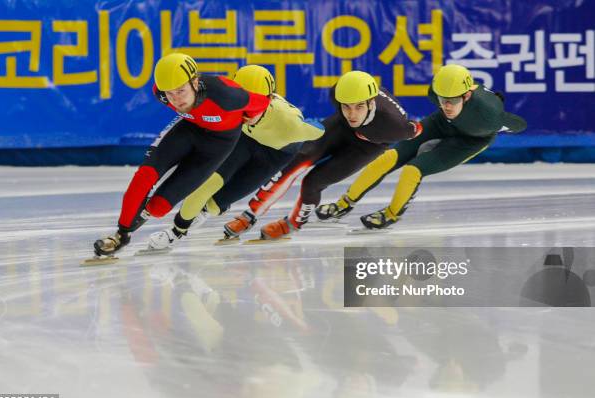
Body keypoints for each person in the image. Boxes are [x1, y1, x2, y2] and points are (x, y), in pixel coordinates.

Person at [93, 53, 270, 257]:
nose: (176, 99)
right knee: (144, 177)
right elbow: (173, 103)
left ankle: (141, 216)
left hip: (218, 146)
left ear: (195, 82)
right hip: (188, 131)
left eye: (181, 91)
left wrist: (252, 116)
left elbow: (263, 103)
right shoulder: (159, 93)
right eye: (170, 93)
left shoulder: (227, 95)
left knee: (159, 207)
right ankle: (121, 235)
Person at [316, 64, 527, 229]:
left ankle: (392, 214)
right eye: (442, 100)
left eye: (452, 101)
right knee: (388, 157)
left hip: (470, 140)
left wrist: (501, 124)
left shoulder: (489, 115)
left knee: (413, 170)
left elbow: (518, 124)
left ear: (467, 95)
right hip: (441, 124)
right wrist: (447, 107)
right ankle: (344, 203)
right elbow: (444, 103)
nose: (446, 106)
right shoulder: (436, 94)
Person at [223, 70, 421, 241]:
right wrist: (347, 112)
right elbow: (347, 109)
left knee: (313, 182)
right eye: (346, 106)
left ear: (371, 103)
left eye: (359, 107)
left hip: (366, 148)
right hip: (340, 128)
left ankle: (293, 222)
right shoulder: (338, 94)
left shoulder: (395, 126)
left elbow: (417, 129)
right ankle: (249, 215)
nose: (352, 113)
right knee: (297, 160)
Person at [146, 65, 325, 249]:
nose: (244, 114)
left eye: (252, 107)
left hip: (276, 153)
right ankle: (175, 232)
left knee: (215, 205)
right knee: (204, 187)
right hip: (245, 140)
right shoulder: (227, 100)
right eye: (241, 104)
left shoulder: (291, 125)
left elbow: (319, 131)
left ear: (269, 100)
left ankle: (208, 210)